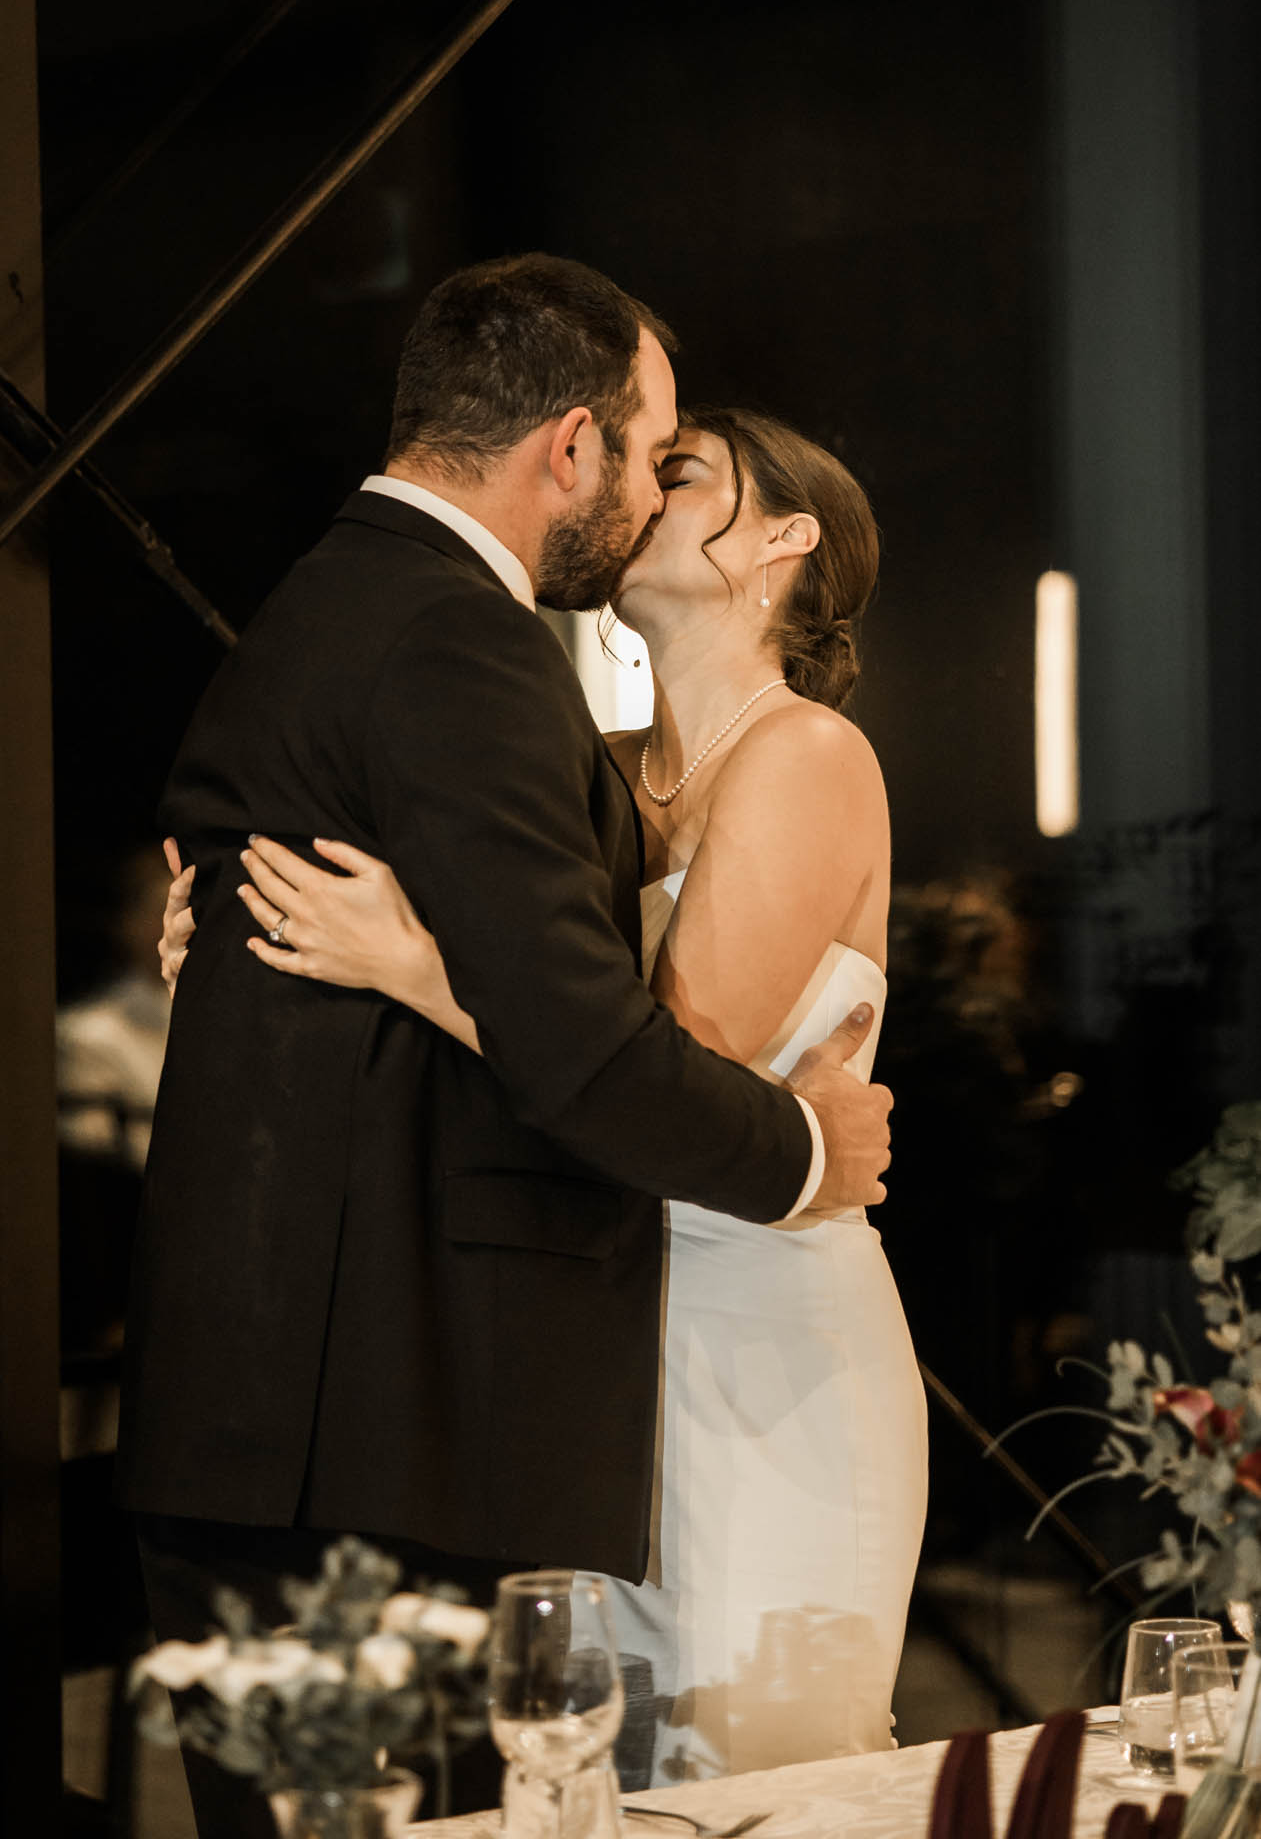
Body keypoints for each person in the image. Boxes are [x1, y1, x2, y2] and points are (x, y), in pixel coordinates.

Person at [119, 254, 892, 1831]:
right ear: (571, 449)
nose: (655, 488)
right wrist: (810, 1149)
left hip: (633, 1347)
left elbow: (573, 1018)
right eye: (653, 451)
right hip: (393, 1415)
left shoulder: (360, 611)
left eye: (694, 473)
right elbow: (587, 1046)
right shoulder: (473, 655)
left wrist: (389, 966)